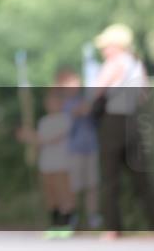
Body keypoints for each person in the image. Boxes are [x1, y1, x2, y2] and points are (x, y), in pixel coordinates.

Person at [82, 23, 154, 239]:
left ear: (117, 45)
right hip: (133, 120)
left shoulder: (114, 63)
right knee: (141, 176)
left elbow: (96, 90)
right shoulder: (137, 64)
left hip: (113, 121)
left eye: (106, 46)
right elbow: (144, 94)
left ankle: (113, 227)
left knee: (109, 177)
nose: (104, 50)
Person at [17, 87, 75, 238]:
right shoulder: (43, 121)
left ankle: (66, 225)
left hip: (61, 165)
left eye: (55, 101)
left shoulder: (65, 119)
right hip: (46, 165)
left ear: (62, 103)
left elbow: (50, 139)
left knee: (64, 195)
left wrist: (30, 136)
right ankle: (54, 225)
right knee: (51, 197)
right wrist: (29, 142)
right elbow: (39, 143)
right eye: (49, 101)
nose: (52, 104)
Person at [55, 68, 101, 230]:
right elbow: (78, 112)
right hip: (73, 149)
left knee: (92, 185)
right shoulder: (63, 104)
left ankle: (92, 216)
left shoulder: (84, 99)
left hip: (91, 147)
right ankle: (72, 217)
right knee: (74, 186)